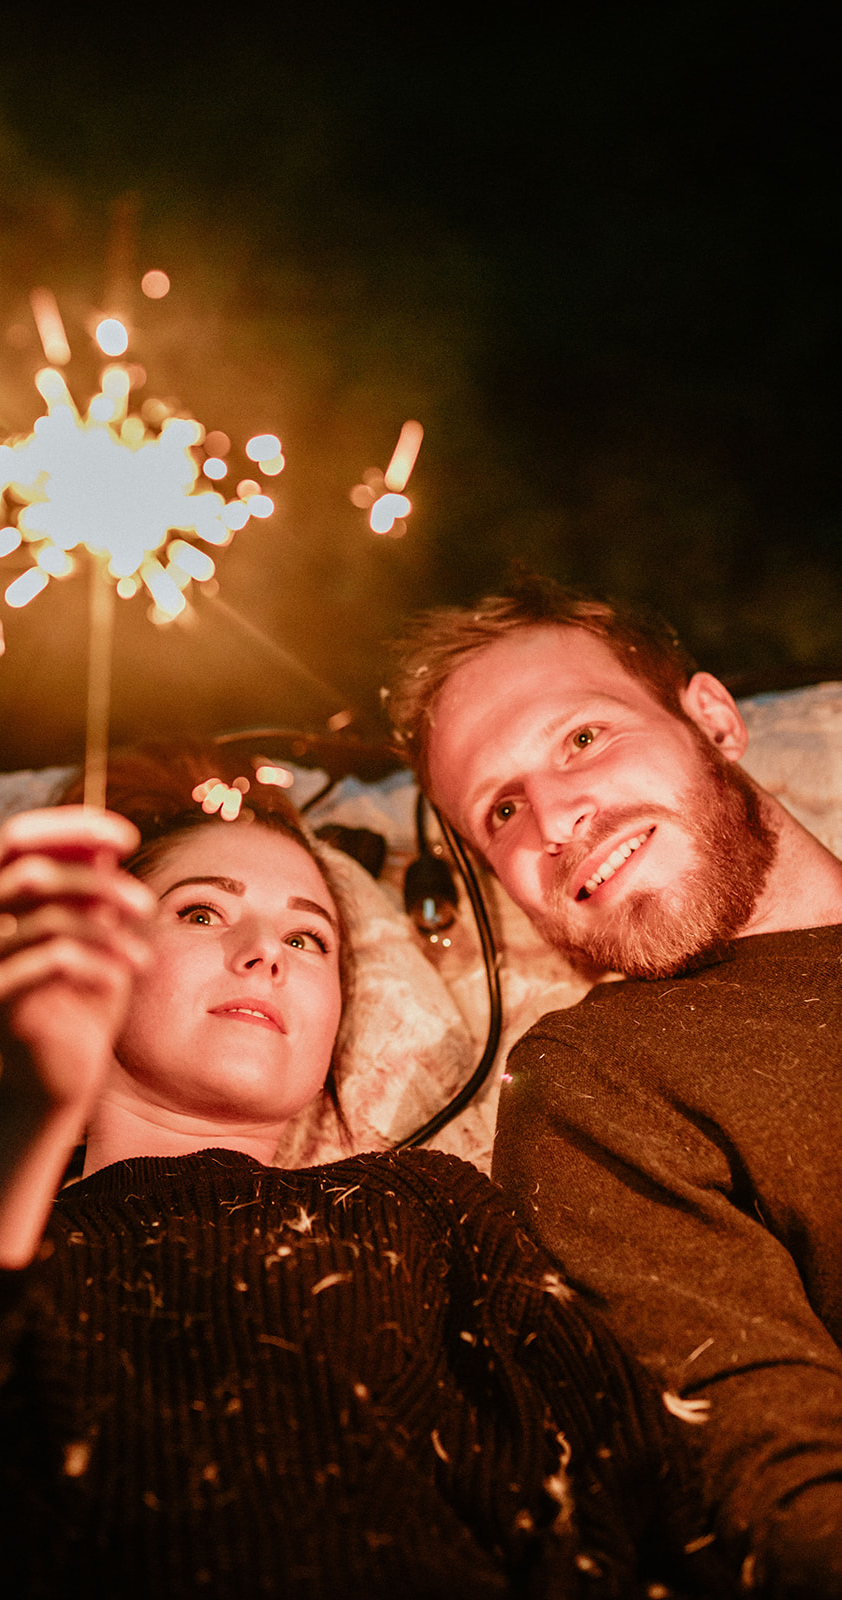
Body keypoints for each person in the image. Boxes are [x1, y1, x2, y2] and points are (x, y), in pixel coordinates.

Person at [0, 745, 725, 1599]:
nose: (264, 951)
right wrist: (25, 1114)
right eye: (200, 910)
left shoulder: (428, 1211)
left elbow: (651, 1506)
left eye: (308, 938)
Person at [388, 573, 842, 1600]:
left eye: (580, 739)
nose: (554, 817)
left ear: (712, 719)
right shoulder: (593, 1084)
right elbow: (777, 1494)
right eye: (499, 808)